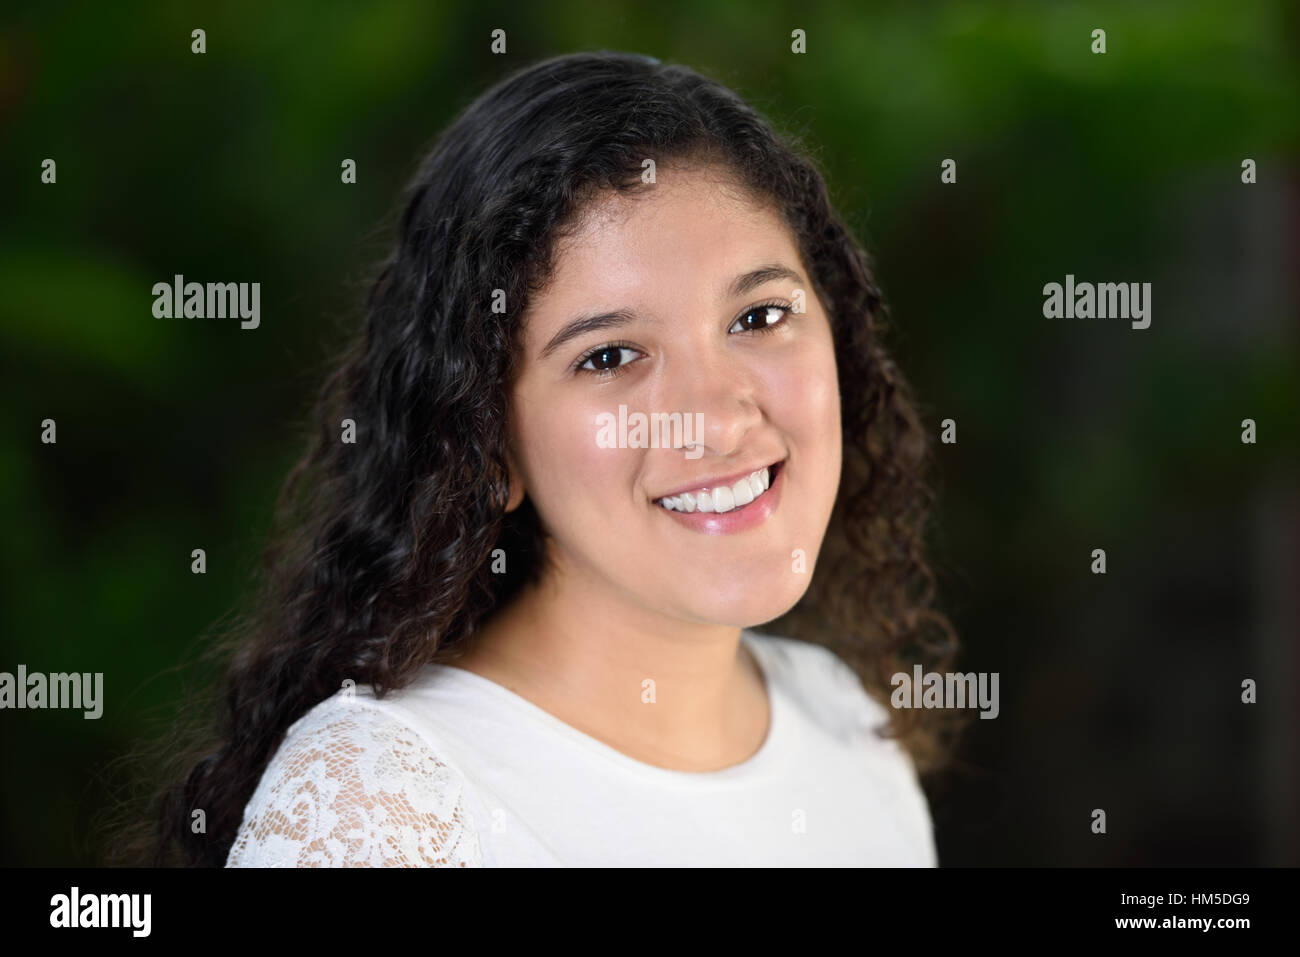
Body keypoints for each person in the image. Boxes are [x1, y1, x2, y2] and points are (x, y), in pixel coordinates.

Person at [131, 50, 963, 867]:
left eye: (757, 316)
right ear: (488, 441)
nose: (713, 418)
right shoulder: (383, 811)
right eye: (608, 356)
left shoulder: (847, 727)